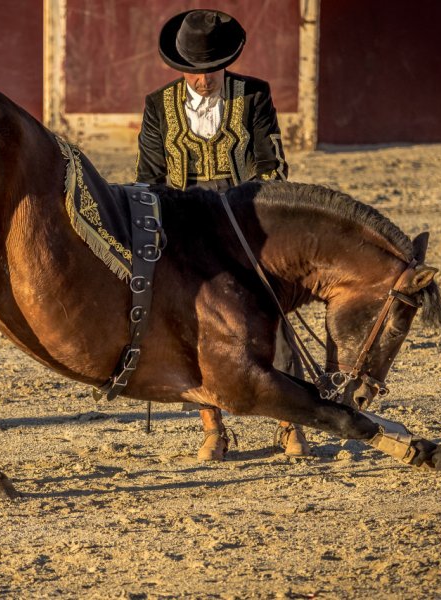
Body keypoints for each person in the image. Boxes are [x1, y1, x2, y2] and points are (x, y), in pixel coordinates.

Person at [135, 9, 308, 461]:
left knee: (275, 309)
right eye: (191, 72)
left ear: (224, 64)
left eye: (209, 70)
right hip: (187, 227)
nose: (201, 80)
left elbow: (272, 166)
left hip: (243, 219)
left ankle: (290, 420)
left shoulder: (253, 96)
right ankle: (212, 425)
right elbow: (149, 178)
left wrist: (248, 208)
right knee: (192, 322)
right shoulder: (158, 105)